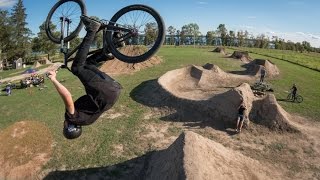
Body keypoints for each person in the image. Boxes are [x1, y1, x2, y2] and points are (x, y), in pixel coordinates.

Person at [47, 16, 122, 139]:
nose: (63, 124)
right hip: (104, 92)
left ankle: (114, 44)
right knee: (77, 67)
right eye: (64, 126)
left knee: (88, 64)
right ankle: (92, 29)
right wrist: (54, 79)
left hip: (113, 92)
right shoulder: (73, 118)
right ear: (68, 126)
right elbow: (67, 96)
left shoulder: (87, 121)